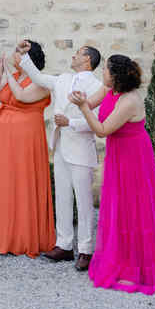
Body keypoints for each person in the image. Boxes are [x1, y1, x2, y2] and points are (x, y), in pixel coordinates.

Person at [70, 55, 155, 294]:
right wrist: (82, 100)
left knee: (136, 207)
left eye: (105, 69)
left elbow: (102, 130)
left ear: (116, 76)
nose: (102, 72)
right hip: (118, 154)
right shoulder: (109, 88)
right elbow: (92, 103)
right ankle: (122, 260)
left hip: (133, 157)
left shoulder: (129, 101)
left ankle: (139, 269)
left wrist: (82, 109)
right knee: (119, 207)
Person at [17, 40, 103, 271]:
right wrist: (24, 56)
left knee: (84, 202)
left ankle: (85, 249)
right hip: (61, 145)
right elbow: (38, 77)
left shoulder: (97, 86)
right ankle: (63, 244)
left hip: (81, 149)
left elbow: (96, 121)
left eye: (78, 53)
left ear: (87, 60)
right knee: (62, 196)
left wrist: (70, 122)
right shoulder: (63, 79)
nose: (73, 56)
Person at [0, 41, 55, 257]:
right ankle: (5, 234)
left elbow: (22, 97)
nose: (13, 56)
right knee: (7, 182)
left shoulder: (41, 82)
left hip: (26, 139)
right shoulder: (14, 77)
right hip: (5, 137)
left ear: (27, 58)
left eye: (18, 53)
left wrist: (7, 70)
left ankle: (25, 237)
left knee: (24, 181)